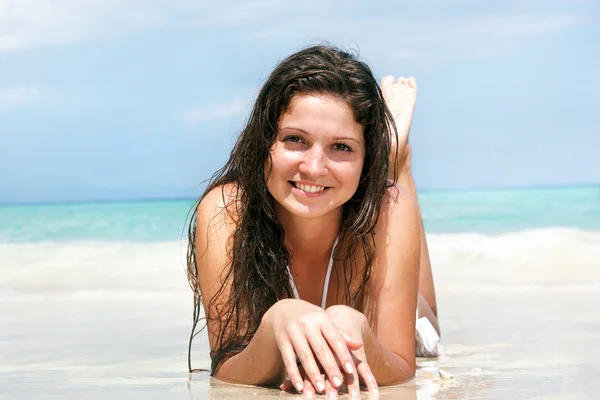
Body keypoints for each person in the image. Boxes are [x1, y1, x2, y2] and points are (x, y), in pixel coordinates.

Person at [186, 44, 440, 398]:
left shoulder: (389, 206)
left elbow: (402, 369)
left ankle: (396, 160)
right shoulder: (225, 211)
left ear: (366, 161)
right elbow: (226, 372)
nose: (314, 167)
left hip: (381, 208)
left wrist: (362, 335)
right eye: (295, 140)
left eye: (342, 147)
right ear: (265, 141)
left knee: (424, 320)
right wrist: (275, 325)